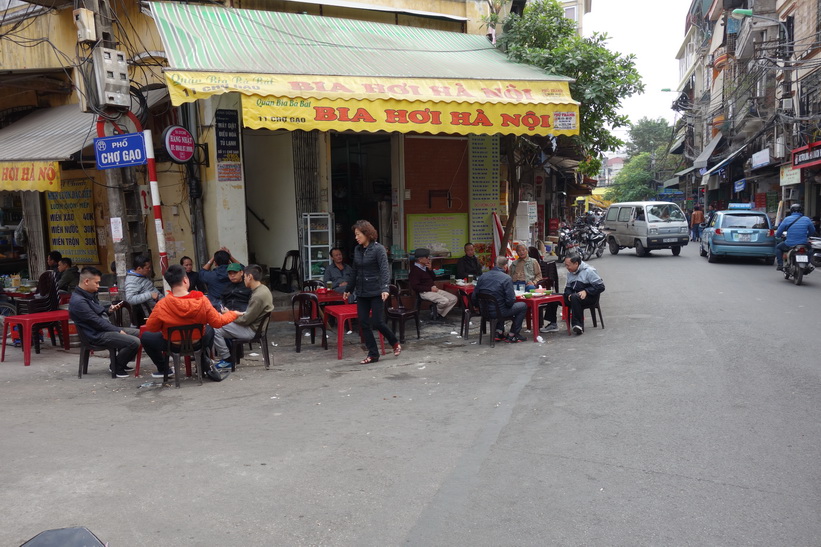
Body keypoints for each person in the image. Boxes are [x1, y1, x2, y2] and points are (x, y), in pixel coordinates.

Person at [142, 264, 241, 379]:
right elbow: (217, 322)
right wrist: (233, 314)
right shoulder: (202, 300)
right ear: (185, 280)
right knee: (209, 329)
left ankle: (164, 369)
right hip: (197, 344)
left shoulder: (162, 304)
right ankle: (204, 363)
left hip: (173, 345)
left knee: (145, 337)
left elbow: (152, 328)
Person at [69, 266, 165, 378]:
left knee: (143, 335)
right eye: (96, 283)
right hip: (95, 334)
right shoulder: (78, 301)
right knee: (134, 342)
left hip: (103, 329)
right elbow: (95, 321)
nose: (98, 286)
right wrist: (117, 330)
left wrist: (109, 310)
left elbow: (98, 314)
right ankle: (117, 366)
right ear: (86, 281)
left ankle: (160, 367)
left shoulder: (89, 295)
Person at [343, 220, 400, 364]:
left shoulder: (378, 249)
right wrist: (349, 289)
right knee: (363, 323)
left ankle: (394, 342)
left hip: (376, 291)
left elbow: (384, 270)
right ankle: (373, 354)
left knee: (377, 322)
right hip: (361, 292)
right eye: (355, 235)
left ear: (367, 234)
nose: (356, 237)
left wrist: (385, 288)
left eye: (358, 234)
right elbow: (354, 271)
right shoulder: (357, 250)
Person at [212, 264, 274, 369]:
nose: (244, 280)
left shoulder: (257, 296)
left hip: (251, 330)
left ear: (249, 277)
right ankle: (228, 359)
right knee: (216, 329)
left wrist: (229, 315)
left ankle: (227, 359)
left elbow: (245, 320)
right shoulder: (263, 289)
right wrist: (235, 314)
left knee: (214, 326)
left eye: (244, 277)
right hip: (254, 326)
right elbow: (250, 314)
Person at [541, 254, 605, 336]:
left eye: (568, 265)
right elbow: (567, 288)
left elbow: (601, 286)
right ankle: (552, 324)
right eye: (566, 265)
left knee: (575, 297)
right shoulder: (571, 272)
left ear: (576, 264)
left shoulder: (589, 271)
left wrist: (586, 291)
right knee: (553, 297)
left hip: (589, 298)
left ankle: (578, 325)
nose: (567, 267)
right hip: (574, 296)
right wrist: (568, 294)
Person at [472, 255, 527, 343]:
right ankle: (513, 334)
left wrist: (477, 306)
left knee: (499, 301)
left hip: (484, 311)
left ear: (493, 265)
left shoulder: (483, 276)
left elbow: (474, 296)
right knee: (523, 306)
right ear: (505, 266)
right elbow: (510, 301)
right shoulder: (506, 278)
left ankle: (499, 332)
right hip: (499, 312)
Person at [409, 247, 458, 322]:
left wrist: (430, 270)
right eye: (426, 257)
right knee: (444, 301)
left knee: (453, 299)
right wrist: (430, 289)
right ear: (420, 259)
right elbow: (415, 286)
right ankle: (435, 313)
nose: (429, 258)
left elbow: (434, 278)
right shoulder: (415, 271)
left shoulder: (425, 267)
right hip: (424, 292)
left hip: (433, 289)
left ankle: (438, 313)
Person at [775, 203, 816, 271]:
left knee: (778, 248)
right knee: (810, 249)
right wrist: (807, 235)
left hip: (789, 244)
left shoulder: (787, 219)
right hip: (803, 243)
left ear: (791, 211)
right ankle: (808, 263)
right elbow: (812, 231)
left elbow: (779, 232)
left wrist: (778, 236)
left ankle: (780, 265)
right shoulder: (807, 219)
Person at [125, 254, 161, 319]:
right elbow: (130, 299)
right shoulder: (132, 281)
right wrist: (149, 295)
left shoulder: (142, 276)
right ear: (139, 268)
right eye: (147, 268)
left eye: (150, 267)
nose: (150, 269)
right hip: (145, 314)